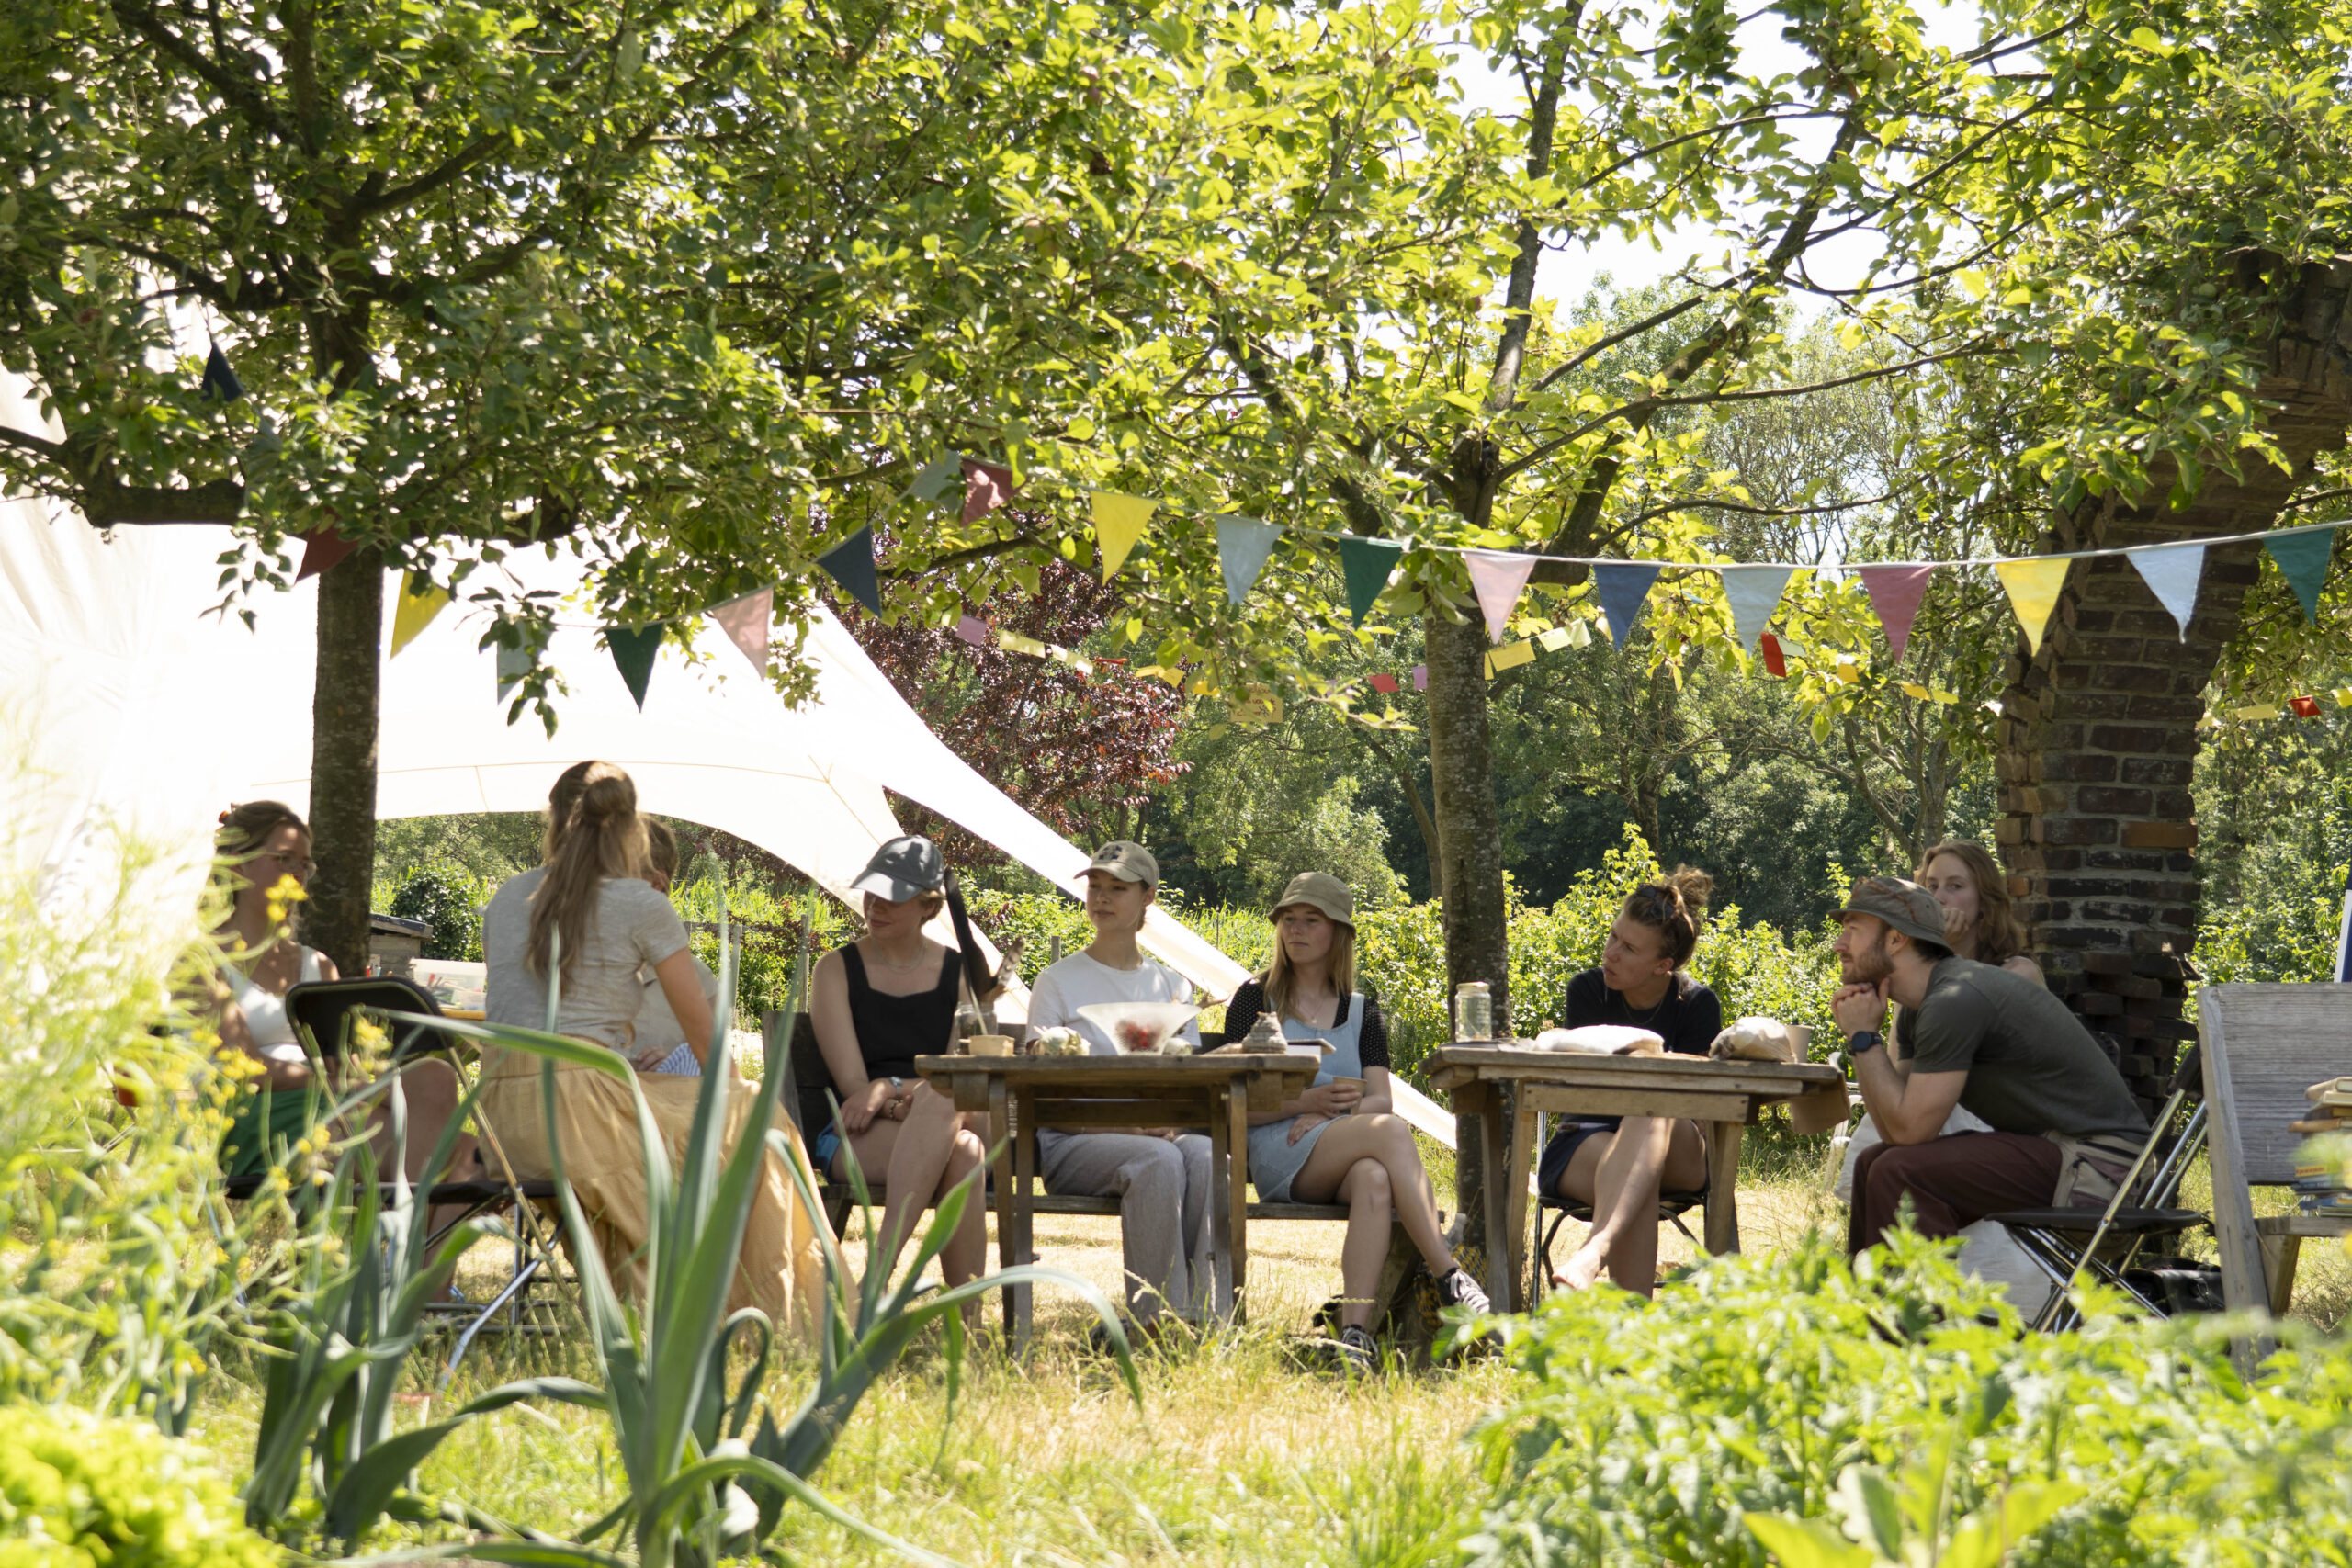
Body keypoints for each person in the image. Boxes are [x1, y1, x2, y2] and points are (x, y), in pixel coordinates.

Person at [479, 761, 822, 1332]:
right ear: (631, 828)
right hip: (579, 1113)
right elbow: (706, 1042)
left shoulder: (508, 895)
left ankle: (667, 1305)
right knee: (758, 1119)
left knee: (689, 1122)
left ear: (554, 818)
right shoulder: (640, 903)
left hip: (503, 1120)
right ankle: (769, 1316)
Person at [1221, 872, 1488, 1371]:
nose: (1295, 930)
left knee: (1375, 1176)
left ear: (1337, 933)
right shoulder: (1254, 1000)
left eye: (1310, 921)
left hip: (1342, 1153)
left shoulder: (1363, 1011)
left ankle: (1356, 1336)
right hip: (1277, 1150)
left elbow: (1380, 1099)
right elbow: (1234, 1103)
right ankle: (1449, 1274)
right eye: (1288, 920)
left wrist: (1332, 1109)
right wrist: (1304, 1105)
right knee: (1388, 1135)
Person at [1830, 876, 2150, 1255]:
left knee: (1899, 1171)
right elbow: (1892, 1126)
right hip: (2062, 1154)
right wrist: (1863, 1036)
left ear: (1897, 939)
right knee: (1874, 1161)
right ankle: (1870, 1308)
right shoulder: (1924, 1007)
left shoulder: (1955, 998)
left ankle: (1913, 1312)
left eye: (1853, 930)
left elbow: (1910, 1131)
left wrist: (1864, 1038)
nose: (1839, 945)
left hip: (2104, 1171)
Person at [204, 801, 474, 1191]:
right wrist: (338, 1083)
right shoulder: (202, 961)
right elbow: (248, 1067)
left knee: (436, 1079)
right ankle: (403, 1242)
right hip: (255, 1116)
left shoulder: (318, 966)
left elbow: (346, 1062)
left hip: (328, 1103)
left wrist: (358, 1082)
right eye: (283, 859)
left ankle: (411, 1247)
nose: (298, 872)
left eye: (304, 863)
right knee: (463, 1160)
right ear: (238, 864)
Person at [1023, 842, 1210, 1338]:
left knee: (1210, 1155)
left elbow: (1186, 1076)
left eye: (1118, 889)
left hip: (1156, 1135)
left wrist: (1168, 1119)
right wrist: (1128, 1125)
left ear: (1148, 897)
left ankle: (1209, 1318)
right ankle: (1155, 1323)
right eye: (1095, 887)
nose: (1101, 898)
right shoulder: (1057, 981)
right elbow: (1038, 1086)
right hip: (1072, 1139)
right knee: (1160, 1160)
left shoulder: (1172, 987)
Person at [808, 835, 989, 1296]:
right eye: (872, 891)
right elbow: (853, 1087)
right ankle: (955, 1315)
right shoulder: (834, 970)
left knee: (961, 1136)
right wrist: (907, 1098)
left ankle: (882, 1288)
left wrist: (889, 1087)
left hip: (931, 1116)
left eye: (894, 895)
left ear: (928, 907)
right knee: (953, 1122)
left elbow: (958, 1077)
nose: (876, 905)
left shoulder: (960, 972)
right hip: (856, 1131)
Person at [1536, 868, 1722, 1294]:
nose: (1611, 953)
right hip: (1586, 1140)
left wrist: (1651, 1068)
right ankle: (1630, 1335)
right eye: (1613, 937)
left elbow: (1700, 1101)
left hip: (1681, 1149)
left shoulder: (1696, 1004)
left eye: (1629, 948)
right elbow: (1585, 1089)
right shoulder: (1587, 991)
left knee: (1656, 1099)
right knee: (1638, 1179)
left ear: (1663, 965)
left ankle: (1595, 1251)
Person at [632, 819, 722, 1077]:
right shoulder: (570, 964)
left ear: (654, 884)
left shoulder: (700, 982)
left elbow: (717, 1080)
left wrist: (675, 1070)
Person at [1915, 840, 2044, 987]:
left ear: (1984, 899)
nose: (1938, 898)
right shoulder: (1921, 964)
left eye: (1955, 886)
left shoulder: (2017, 972)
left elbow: (1957, 1003)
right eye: (1932, 886)